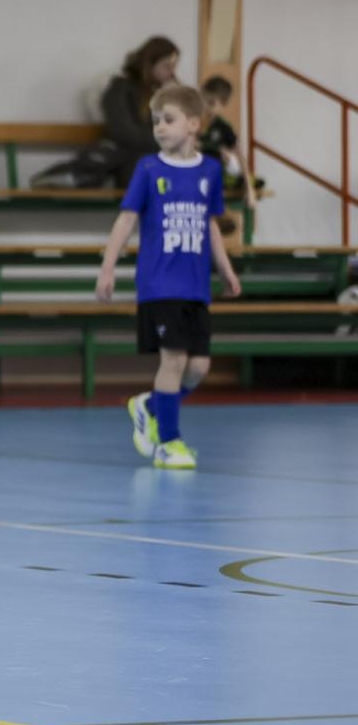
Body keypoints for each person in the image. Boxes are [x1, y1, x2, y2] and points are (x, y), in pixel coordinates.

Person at [97, 83, 241, 469]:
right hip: (160, 285)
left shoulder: (209, 170)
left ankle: (150, 405)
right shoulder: (149, 169)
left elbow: (210, 224)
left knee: (198, 368)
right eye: (156, 121)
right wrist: (108, 266)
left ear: (194, 124)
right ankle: (169, 443)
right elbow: (126, 219)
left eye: (169, 120)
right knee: (174, 361)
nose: (160, 127)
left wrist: (225, 269)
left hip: (196, 286)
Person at [100, 36, 181, 188]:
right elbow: (125, 133)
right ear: (149, 64)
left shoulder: (162, 90)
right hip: (131, 161)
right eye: (166, 66)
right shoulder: (120, 89)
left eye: (174, 67)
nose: (172, 73)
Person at [199, 76, 261, 210]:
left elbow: (240, 157)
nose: (205, 106)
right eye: (202, 100)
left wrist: (249, 189)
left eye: (211, 103)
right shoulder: (191, 123)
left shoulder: (224, 128)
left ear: (223, 104)